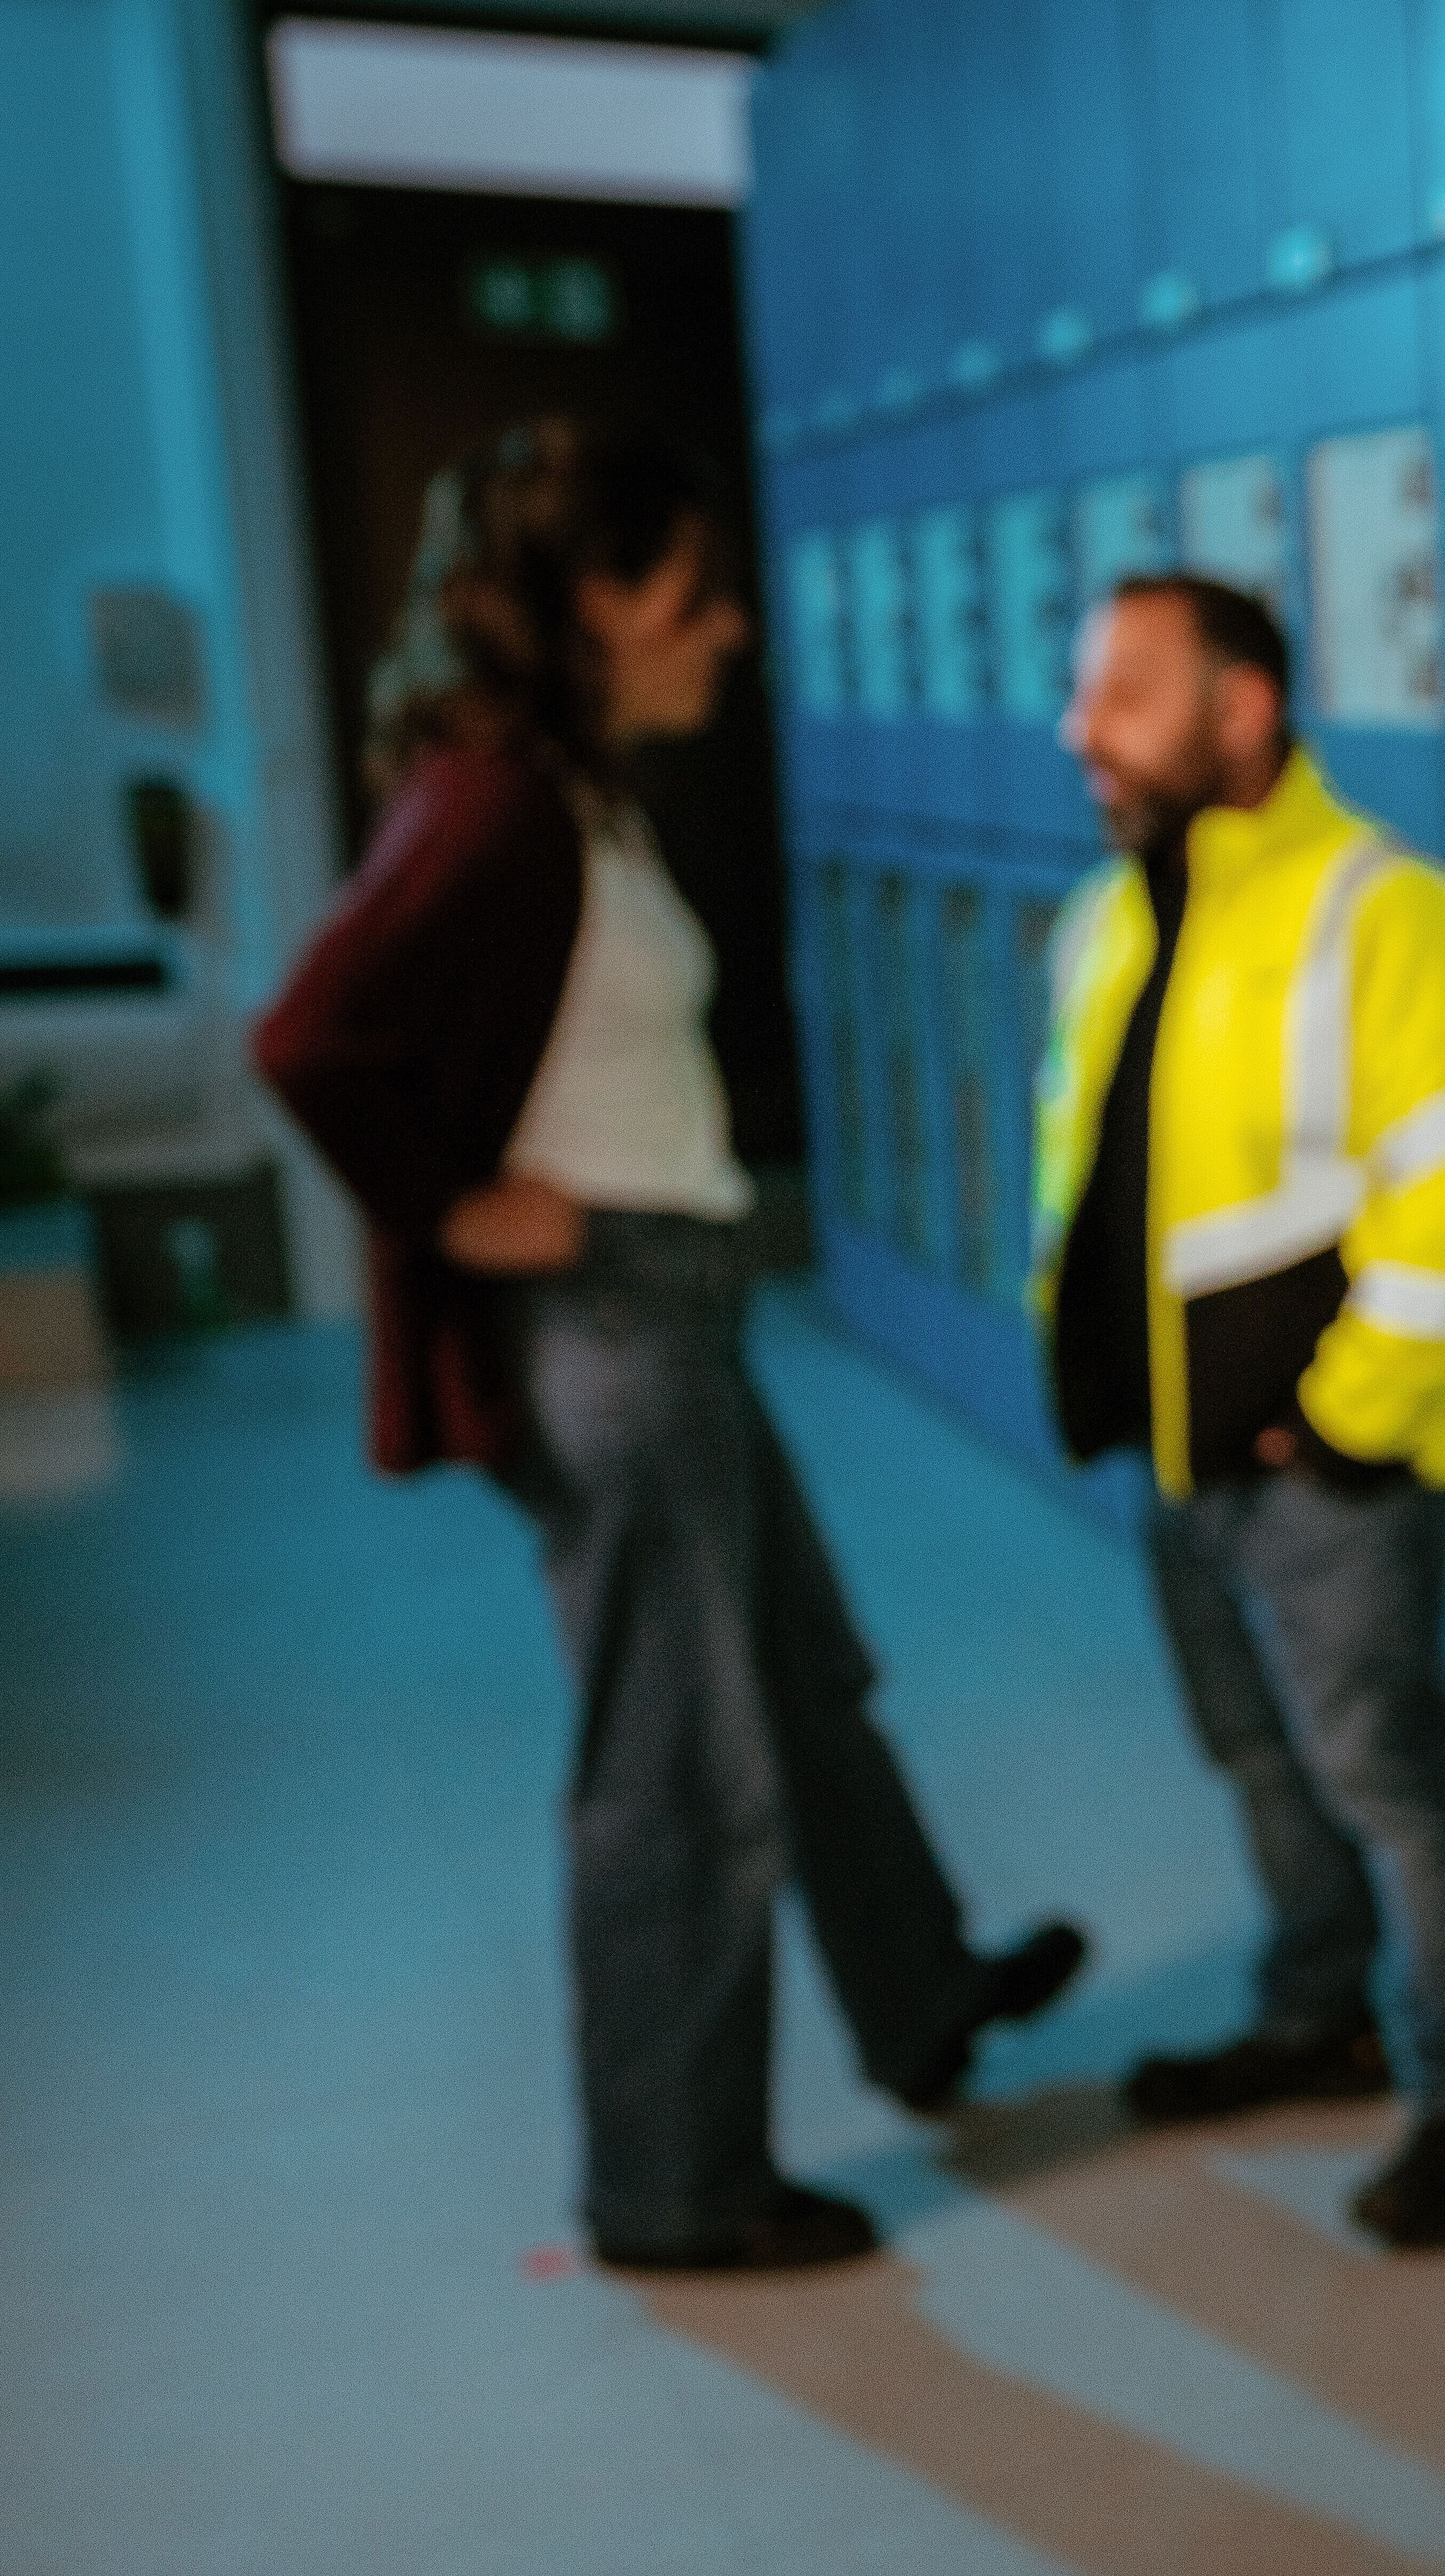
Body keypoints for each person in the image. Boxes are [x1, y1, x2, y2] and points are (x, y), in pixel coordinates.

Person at [257, 419, 1085, 2275]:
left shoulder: (573, 782)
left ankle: (924, 1990)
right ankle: (672, 2182)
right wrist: (455, 1206)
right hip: (608, 1327)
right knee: (675, 1764)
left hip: (674, 1304)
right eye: (696, 597)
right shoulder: (492, 798)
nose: (728, 633)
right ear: (598, 599)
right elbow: (308, 1036)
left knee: (802, 1671)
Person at [1037, 573, 1445, 2249]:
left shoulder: (1389, 909)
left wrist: (1346, 1419)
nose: (1079, 731)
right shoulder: (1114, 916)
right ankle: (1319, 2015)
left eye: (1122, 694)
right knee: (1260, 1754)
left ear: (1240, 708)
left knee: (1384, 1769)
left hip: (1330, 1460)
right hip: (1178, 1445)